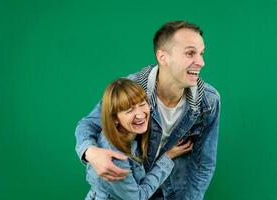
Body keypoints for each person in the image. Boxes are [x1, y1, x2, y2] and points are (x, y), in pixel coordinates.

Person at [76, 20, 221, 200]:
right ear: (162, 57)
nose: (201, 62)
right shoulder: (131, 89)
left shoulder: (208, 101)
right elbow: (89, 123)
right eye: (190, 53)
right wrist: (90, 152)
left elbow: (203, 165)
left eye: (201, 53)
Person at [85, 78, 193, 199]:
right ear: (115, 119)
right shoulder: (116, 156)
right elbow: (137, 197)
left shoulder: (129, 136)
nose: (140, 115)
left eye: (142, 104)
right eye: (129, 110)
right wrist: (167, 158)